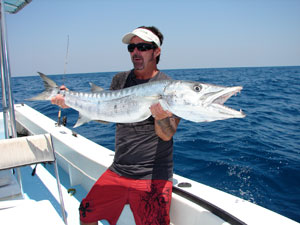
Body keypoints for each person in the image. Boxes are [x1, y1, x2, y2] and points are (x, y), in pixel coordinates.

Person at [51, 26, 180, 225]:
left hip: (152, 175)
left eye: (143, 46)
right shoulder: (120, 79)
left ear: (157, 51)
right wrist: (71, 100)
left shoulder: (169, 87)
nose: (136, 52)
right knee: (86, 214)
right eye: (132, 47)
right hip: (119, 169)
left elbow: (166, 135)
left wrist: (161, 116)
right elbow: (106, 116)